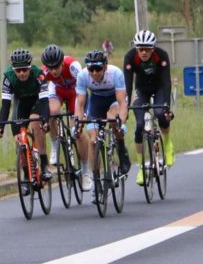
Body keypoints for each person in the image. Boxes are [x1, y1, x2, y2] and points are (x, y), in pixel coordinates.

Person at [0, 48, 51, 195]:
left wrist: (45, 119)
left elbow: (45, 101)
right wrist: (0, 126)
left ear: (30, 67)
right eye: (18, 71)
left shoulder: (39, 75)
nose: (22, 74)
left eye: (24, 70)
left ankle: (44, 164)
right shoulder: (8, 77)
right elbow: (5, 105)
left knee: (35, 122)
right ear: (14, 70)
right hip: (21, 104)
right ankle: (26, 176)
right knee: (19, 139)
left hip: (37, 101)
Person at [123, 30, 174, 185]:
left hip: (159, 88)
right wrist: (125, 106)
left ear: (153, 48)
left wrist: (166, 106)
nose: (143, 52)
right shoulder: (130, 57)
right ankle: (140, 168)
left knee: (160, 113)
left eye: (147, 49)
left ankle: (166, 142)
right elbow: (128, 84)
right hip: (141, 90)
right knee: (139, 126)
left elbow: (166, 82)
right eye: (140, 49)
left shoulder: (162, 55)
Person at [74, 50, 131, 184]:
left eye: (98, 68)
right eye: (91, 69)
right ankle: (97, 180)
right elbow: (80, 104)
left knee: (114, 120)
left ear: (105, 66)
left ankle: (121, 148)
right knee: (93, 141)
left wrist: (121, 123)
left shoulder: (115, 73)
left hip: (114, 100)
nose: (94, 73)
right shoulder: (82, 76)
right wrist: (78, 124)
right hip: (96, 101)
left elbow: (122, 102)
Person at [40, 44, 92, 191]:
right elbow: (43, 98)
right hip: (58, 90)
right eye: (50, 68)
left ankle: (86, 171)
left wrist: (81, 114)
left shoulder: (73, 66)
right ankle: (55, 147)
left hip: (76, 92)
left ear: (62, 62)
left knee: (78, 131)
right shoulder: (44, 73)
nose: (54, 71)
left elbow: (84, 90)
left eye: (56, 66)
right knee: (52, 112)